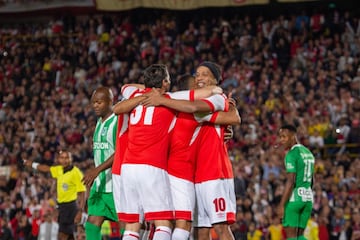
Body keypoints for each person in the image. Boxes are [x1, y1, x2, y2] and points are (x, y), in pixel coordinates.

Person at [141, 73, 241, 240]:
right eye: (197, 87)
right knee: (182, 224)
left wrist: (224, 130)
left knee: (166, 224)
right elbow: (232, 117)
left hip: (159, 169)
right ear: (191, 93)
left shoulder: (167, 110)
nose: (203, 90)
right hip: (180, 171)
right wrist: (230, 105)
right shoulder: (192, 111)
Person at [191, 61, 237, 240]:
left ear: (215, 80)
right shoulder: (197, 101)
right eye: (197, 74)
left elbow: (234, 117)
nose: (199, 78)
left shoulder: (219, 100)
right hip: (197, 174)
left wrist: (232, 116)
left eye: (204, 74)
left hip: (215, 172)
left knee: (220, 227)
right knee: (201, 230)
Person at [81, 86, 119, 240]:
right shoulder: (99, 122)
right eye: (93, 102)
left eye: (99, 102)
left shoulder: (117, 121)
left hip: (115, 186)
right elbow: (100, 155)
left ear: (111, 101)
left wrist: (97, 170)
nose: (95, 106)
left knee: (128, 226)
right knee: (91, 224)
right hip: (99, 186)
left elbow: (120, 153)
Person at [23, 150, 86, 240]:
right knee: (69, 236)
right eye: (62, 158)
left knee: (62, 236)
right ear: (59, 159)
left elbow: (83, 192)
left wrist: (80, 211)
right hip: (62, 207)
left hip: (70, 207)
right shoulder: (59, 169)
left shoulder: (76, 173)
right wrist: (32, 164)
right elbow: (46, 168)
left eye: (66, 158)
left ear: (71, 159)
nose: (64, 160)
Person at [277, 124, 315, 240]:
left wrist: (282, 205)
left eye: (284, 137)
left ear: (293, 136)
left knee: (291, 237)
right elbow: (312, 179)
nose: (281, 140)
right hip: (308, 198)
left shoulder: (291, 154)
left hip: (295, 198)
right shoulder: (308, 152)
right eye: (280, 137)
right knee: (300, 236)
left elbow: (291, 181)